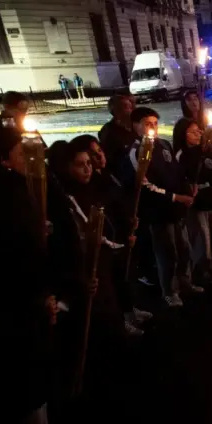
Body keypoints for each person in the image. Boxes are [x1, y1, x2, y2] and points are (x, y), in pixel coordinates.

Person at [0, 126, 94, 424]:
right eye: (21, 153)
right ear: (3, 161)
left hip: (35, 314)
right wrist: (38, 297)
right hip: (18, 325)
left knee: (39, 412)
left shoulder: (28, 195)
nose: (32, 160)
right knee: (28, 415)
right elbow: (7, 273)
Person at [71, 134, 152, 335]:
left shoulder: (108, 175)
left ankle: (130, 309)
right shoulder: (91, 185)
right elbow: (104, 214)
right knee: (116, 281)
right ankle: (123, 318)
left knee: (127, 275)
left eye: (100, 151)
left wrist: (129, 223)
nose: (100, 157)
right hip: (110, 241)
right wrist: (118, 238)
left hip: (122, 235)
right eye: (93, 155)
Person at [124, 107, 200, 307]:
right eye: (148, 124)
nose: (153, 128)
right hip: (159, 212)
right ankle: (169, 291)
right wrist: (175, 197)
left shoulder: (164, 144)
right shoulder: (136, 152)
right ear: (136, 126)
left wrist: (187, 188)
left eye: (155, 124)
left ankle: (185, 281)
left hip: (177, 210)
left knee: (184, 249)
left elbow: (177, 171)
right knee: (168, 253)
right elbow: (146, 186)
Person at [175, 117, 212, 283]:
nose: (198, 134)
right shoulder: (181, 155)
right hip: (198, 204)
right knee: (202, 239)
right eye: (193, 132)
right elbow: (182, 181)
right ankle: (201, 270)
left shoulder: (207, 150)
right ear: (183, 134)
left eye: (199, 131)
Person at [98, 94, 137, 167]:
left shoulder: (135, 125)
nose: (132, 110)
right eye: (127, 107)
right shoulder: (108, 133)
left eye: (131, 107)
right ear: (116, 112)